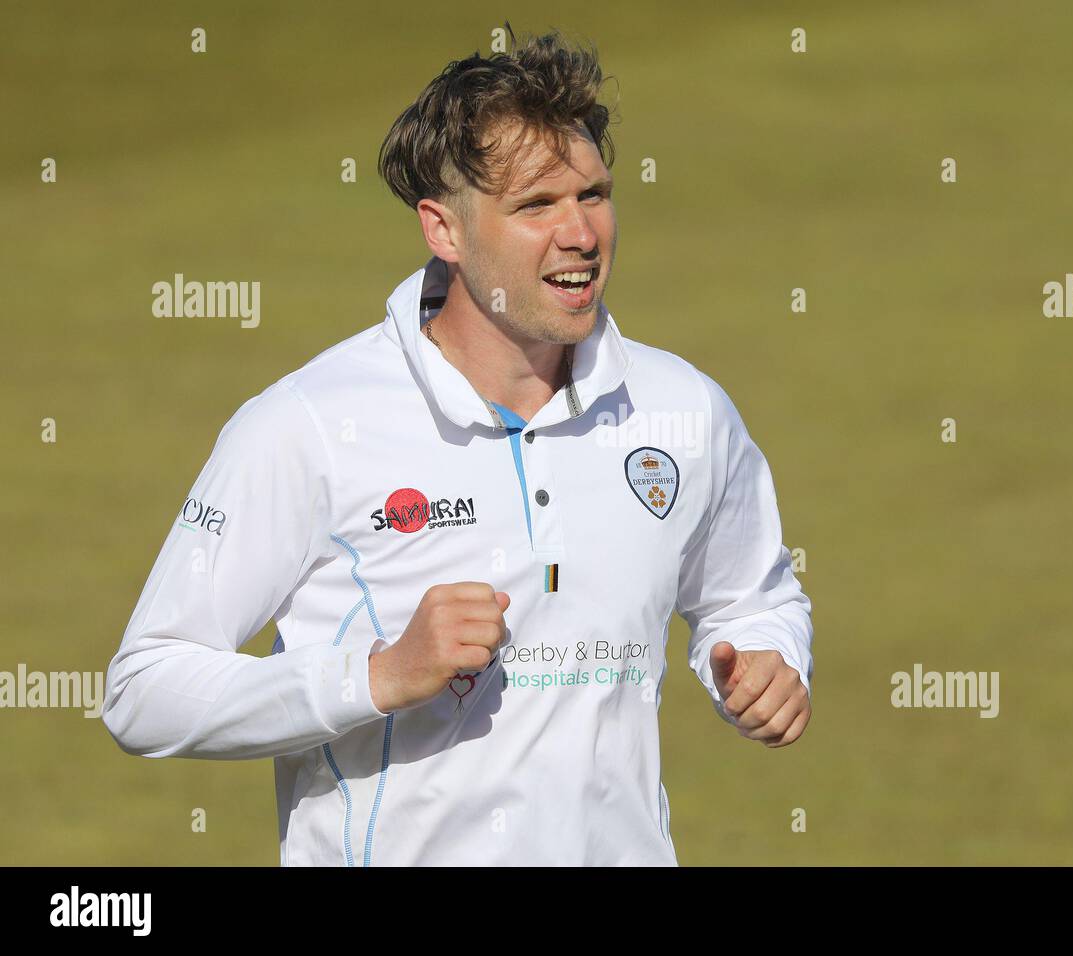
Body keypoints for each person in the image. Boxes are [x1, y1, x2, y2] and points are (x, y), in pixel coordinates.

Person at [104, 28, 812, 866]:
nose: (581, 233)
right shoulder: (310, 425)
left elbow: (749, 596)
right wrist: (375, 675)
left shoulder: (682, 410)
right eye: (536, 205)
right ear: (443, 229)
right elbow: (144, 692)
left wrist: (766, 658)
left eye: (593, 194)